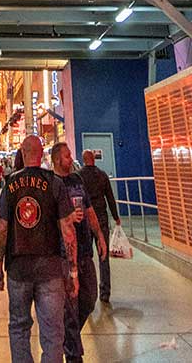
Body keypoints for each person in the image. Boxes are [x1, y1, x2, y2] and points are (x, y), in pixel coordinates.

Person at [0, 135, 79, 363]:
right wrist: (73, 272)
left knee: (19, 327)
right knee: (53, 333)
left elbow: (2, 228)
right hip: (50, 269)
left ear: (22, 153)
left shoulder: (11, 184)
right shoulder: (55, 183)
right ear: (42, 154)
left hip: (18, 268)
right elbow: (68, 230)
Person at [52, 143, 107, 363]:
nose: (71, 158)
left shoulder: (77, 180)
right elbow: (47, 221)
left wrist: (100, 235)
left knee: (89, 299)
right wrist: (65, 220)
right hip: (64, 257)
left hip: (85, 250)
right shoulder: (51, 185)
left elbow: (89, 209)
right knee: (70, 308)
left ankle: (67, 336)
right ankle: (74, 355)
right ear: (57, 160)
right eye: (67, 156)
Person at [77, 150, 120, 303]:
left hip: (86, 220)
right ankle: (105, 292)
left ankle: (86, 291)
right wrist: (116, 217)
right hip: (101, 218)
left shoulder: (79, 177)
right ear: (93, 159)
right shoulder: (102, 175)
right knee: (104, 256)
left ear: (83, 160)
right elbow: (110, 197)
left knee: (85, 257)